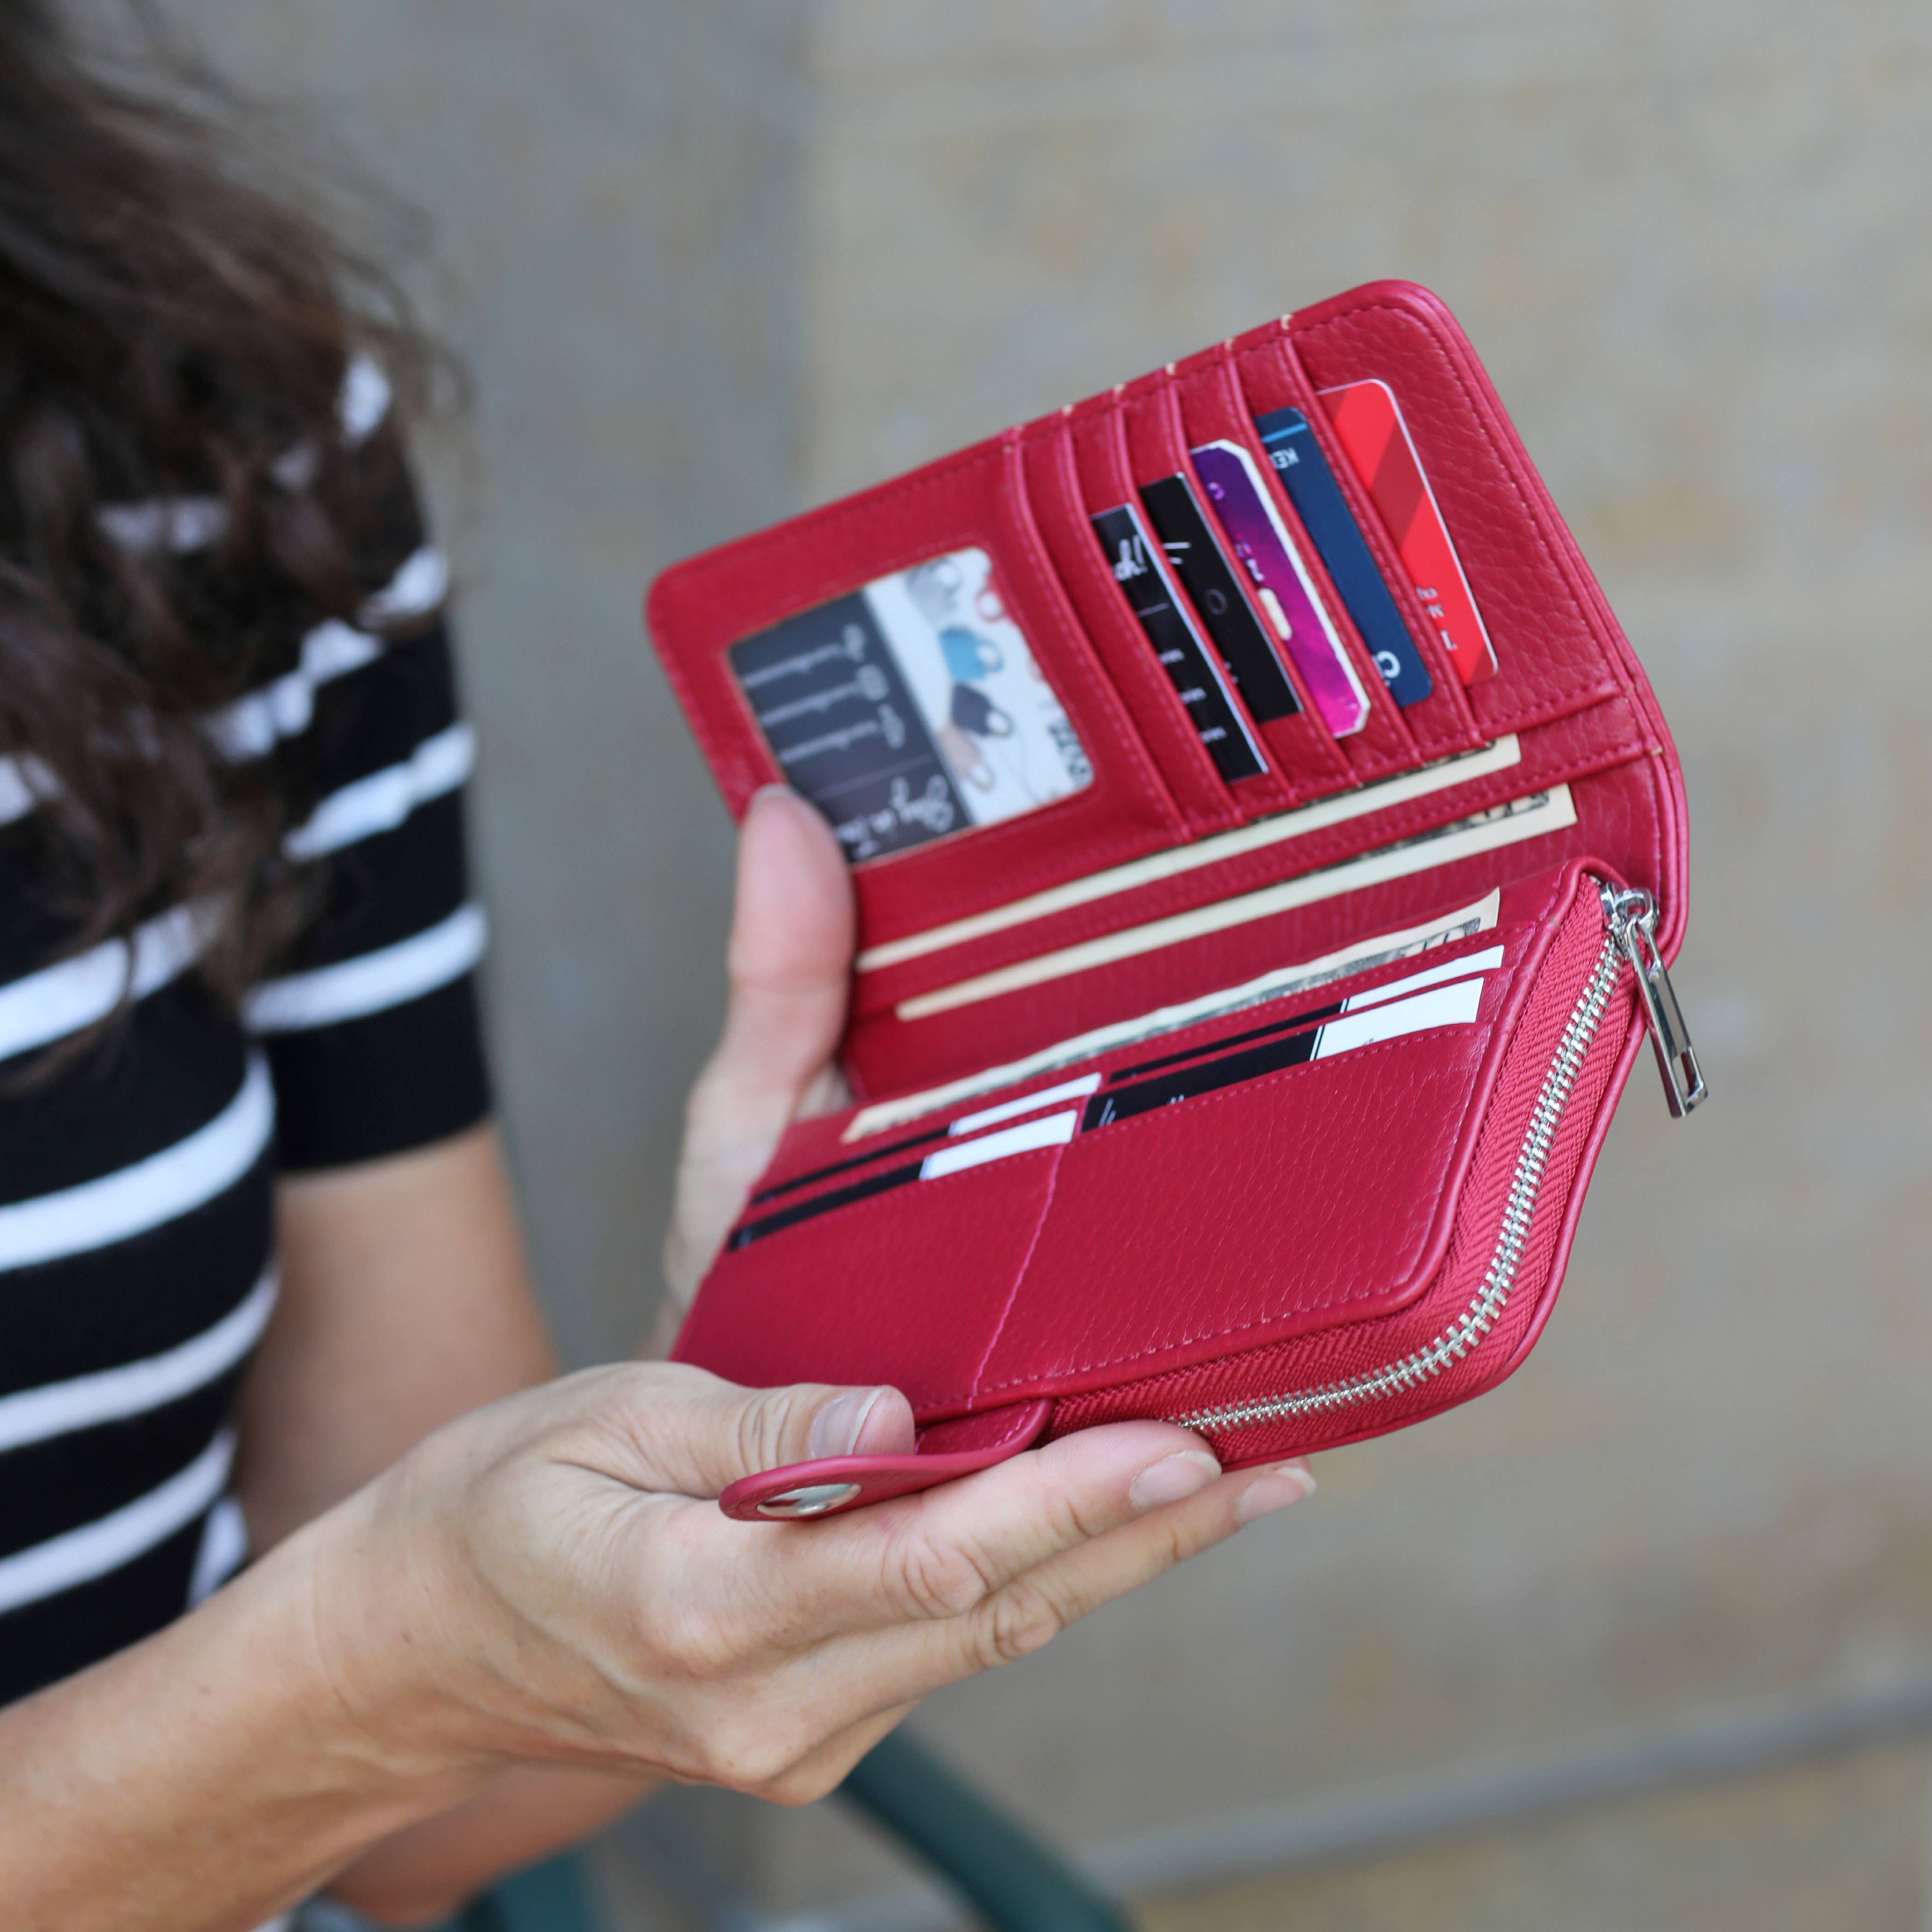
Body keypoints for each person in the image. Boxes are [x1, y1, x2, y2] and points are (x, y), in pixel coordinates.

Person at [0, 9, 1317, 1928]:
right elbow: (373, 1687)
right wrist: (372, 1662)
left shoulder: (196, 444)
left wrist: (761, 1424)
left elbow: (442, 1816)